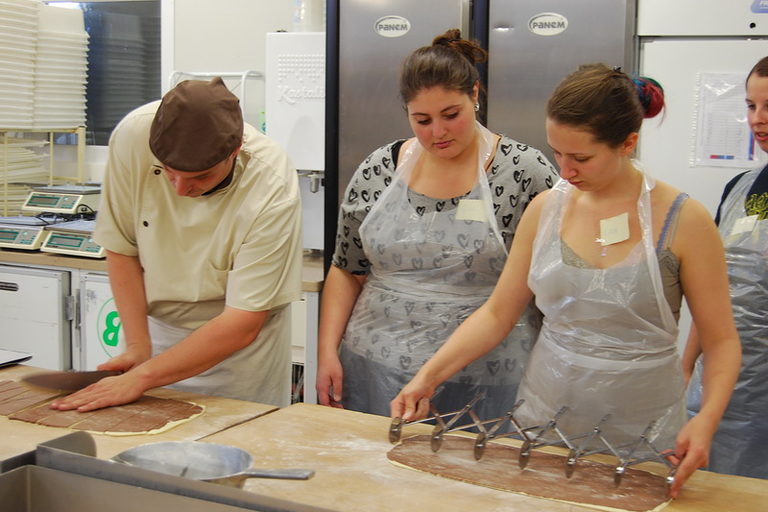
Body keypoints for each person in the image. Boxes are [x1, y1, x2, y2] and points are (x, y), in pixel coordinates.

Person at [392, 63, 741, 498]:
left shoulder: (683, 220)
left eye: (581, 157)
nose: (566, 170)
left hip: (642, 424)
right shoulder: (546, 210)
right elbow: (499, 312)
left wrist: (706, 418)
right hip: (546, 412)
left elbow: (722, 339)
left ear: (628, 144)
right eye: (557, 153)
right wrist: (429, 375)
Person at [316, 29, 558, 418]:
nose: (438, 133)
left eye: (451, 115)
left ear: (475, 95)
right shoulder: (380, 168)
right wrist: (327, 351)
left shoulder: (524, 172)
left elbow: (551, 282)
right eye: (422, 119)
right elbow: (347, 268)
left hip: (486, 377)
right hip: (374, 365)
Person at [51, 77, 303, 412]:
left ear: (235, 151)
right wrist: (140, 347)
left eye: (201, 177)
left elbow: (243, 322)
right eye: (169, 172)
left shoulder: (270, 181)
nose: (181, 190)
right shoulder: (132, 136)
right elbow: (121, 246)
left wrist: (140, 379)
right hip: (156, 332)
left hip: (239, 358)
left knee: (232, 450)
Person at [684, 57, 768, 480]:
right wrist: (684, 367)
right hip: (722, 386)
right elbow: (713, 290)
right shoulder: (743, 189)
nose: (758, 119)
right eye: (751, 106)